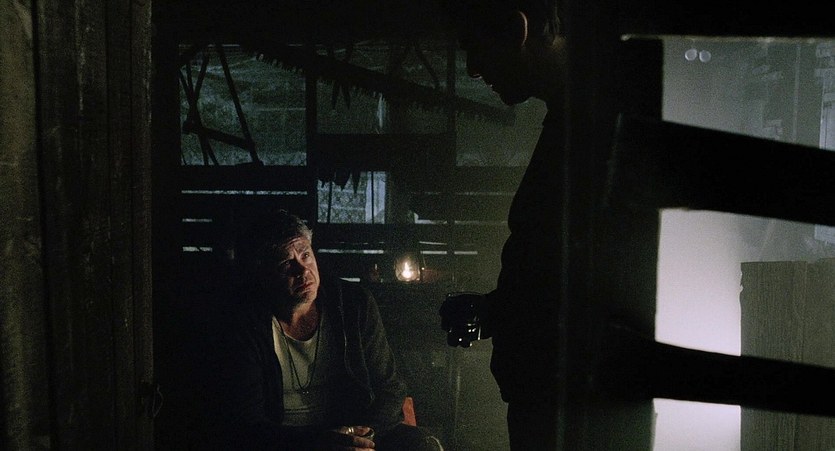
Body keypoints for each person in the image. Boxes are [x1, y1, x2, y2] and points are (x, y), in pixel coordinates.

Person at [206, 209, 443, 451]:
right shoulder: (245, 322)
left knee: (421, 444)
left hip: (355, 431)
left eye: (305, 255)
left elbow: (390, 388)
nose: (303, 270)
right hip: (287, 442)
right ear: (264, 274)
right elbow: (247, 424)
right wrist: (319, 442)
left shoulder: (353, 304)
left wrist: (361, 436)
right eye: (286, 263)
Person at [439, 1, 566, 449]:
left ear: (517, 30)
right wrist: (496, 311)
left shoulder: (585, 130)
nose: (472, 69)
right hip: (546, 396)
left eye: (473, 47)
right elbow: (554, 275)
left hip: (558, 403)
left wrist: (503, 312)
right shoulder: (571, 124)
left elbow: (575, 287)